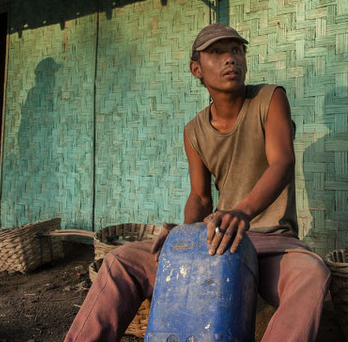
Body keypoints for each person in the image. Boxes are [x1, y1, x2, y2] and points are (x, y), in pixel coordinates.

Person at [65, 23, 330, 342]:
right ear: (196, 69)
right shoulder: (194, 131)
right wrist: (181, 236)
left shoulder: (270, 98)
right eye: (217, 52)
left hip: (272, 242)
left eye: (236, 50)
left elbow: (282, 161)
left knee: (312, 274)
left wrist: (243, 212)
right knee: (120, 261)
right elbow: (201, 198)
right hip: (217, 242)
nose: (230, 58)